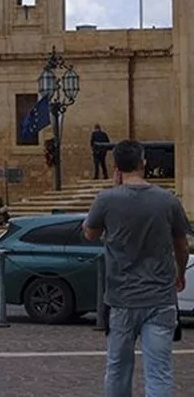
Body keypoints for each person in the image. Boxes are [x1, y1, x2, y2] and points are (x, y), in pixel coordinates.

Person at [83, 140, 190, 397]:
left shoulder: (107, 199)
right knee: (159, 371)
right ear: (143, 163)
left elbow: (89, 233)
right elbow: (182, 245)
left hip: (122, 297)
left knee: (118, 368)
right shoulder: (167, 200)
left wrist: (112, 191)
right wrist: (180, 272)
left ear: (116, 166)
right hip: (160, 296)